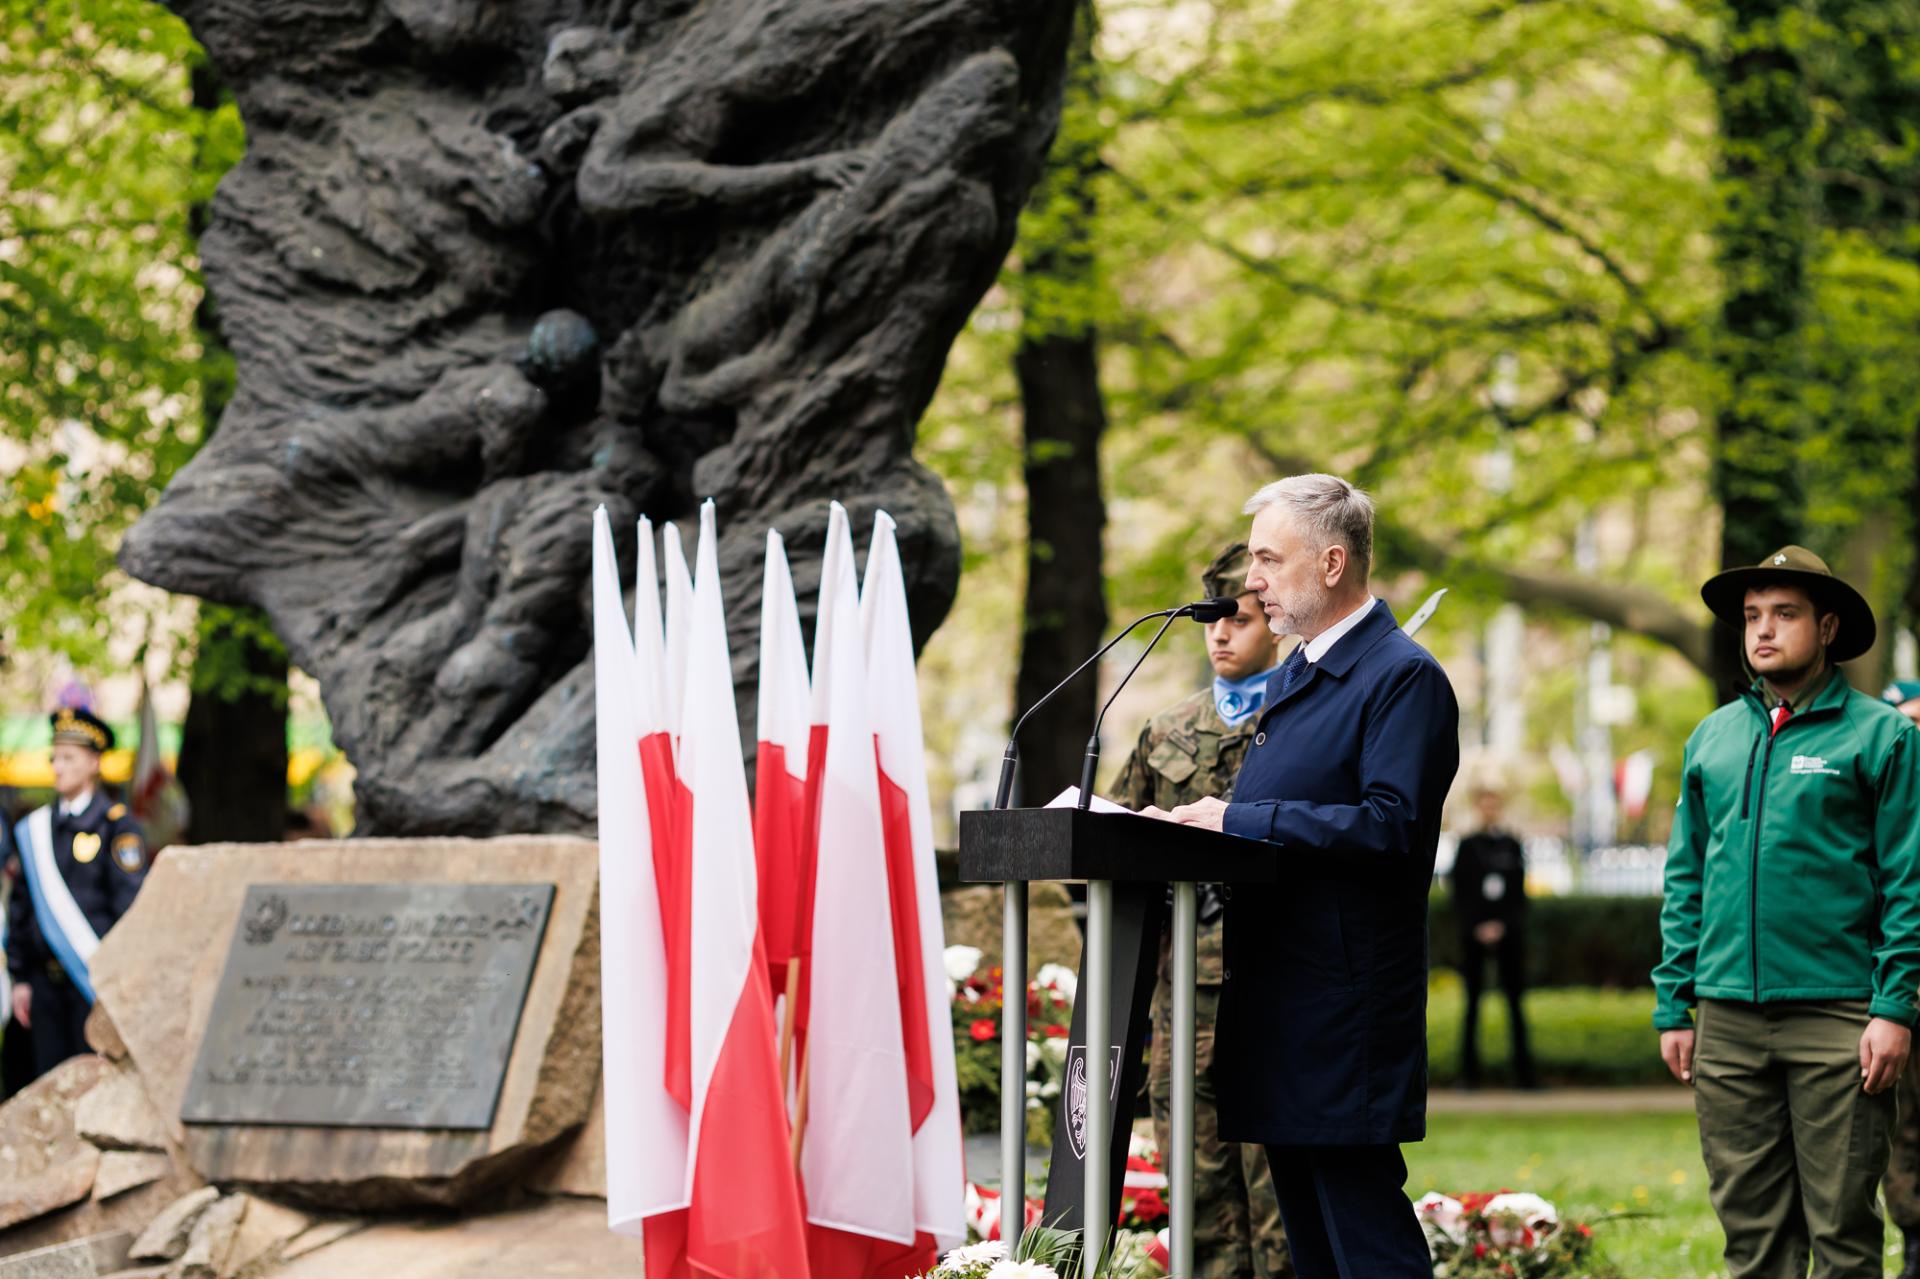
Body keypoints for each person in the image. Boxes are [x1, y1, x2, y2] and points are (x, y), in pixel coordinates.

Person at [1154, 473, 1460, 1279]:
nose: (1251, 578)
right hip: (1278, 997)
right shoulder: (1297, 675)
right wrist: (1179, 838)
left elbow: (1391, 825)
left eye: (1267, 557)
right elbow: (1272, 823)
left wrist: (1237, 819)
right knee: (1314, 1250)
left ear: (1330, 563)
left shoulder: (1402, 677)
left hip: (1341, 1007)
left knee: (1365, 1243)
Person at [1654, 546, 1920, 1279]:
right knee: (1753, 1240)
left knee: (1842, 1237)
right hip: (1728, 1021)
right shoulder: (1712, 738)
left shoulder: (1883, 735)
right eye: (1751, 616)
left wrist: (1894, 1006)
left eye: (1784, 614)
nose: (1762, 630)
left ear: (1828, 626)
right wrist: (1675, 1003)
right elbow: (1687, 880)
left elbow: (1909, 881)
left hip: (1839, 1017)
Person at [1112, 542, 1292, 1279]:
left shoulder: (1304, 717)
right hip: (1182, 985)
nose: (1220, 634)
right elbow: (1115, 838)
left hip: (1272, 980)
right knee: (1194, 1169)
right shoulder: (1167, 730)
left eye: (1239, 619)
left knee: (1276, 1178)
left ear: (1275, 625)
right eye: (1210, 620)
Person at [5, 707, 150, 1081]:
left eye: (69, 758)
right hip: (43, 984)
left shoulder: (116, 826)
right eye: (54, 757)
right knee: (46, 1084)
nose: (57, 767)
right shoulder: (35, 828)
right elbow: (22, 907)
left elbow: (130, 908)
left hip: (92, 981)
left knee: (94, 1083)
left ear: (94, 763)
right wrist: (20, 977)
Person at [1449, 780, 1536, 1089]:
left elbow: (1518, 893)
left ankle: (1525, 1074)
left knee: (1515, 1003)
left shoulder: (1511, 845)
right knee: (1472, 1004)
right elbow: (1459, 892)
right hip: (1474, 935)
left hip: (1508, 934)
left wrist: (1504, 925)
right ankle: (1469, 1075)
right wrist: (1477, 925)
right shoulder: (1468, 845)